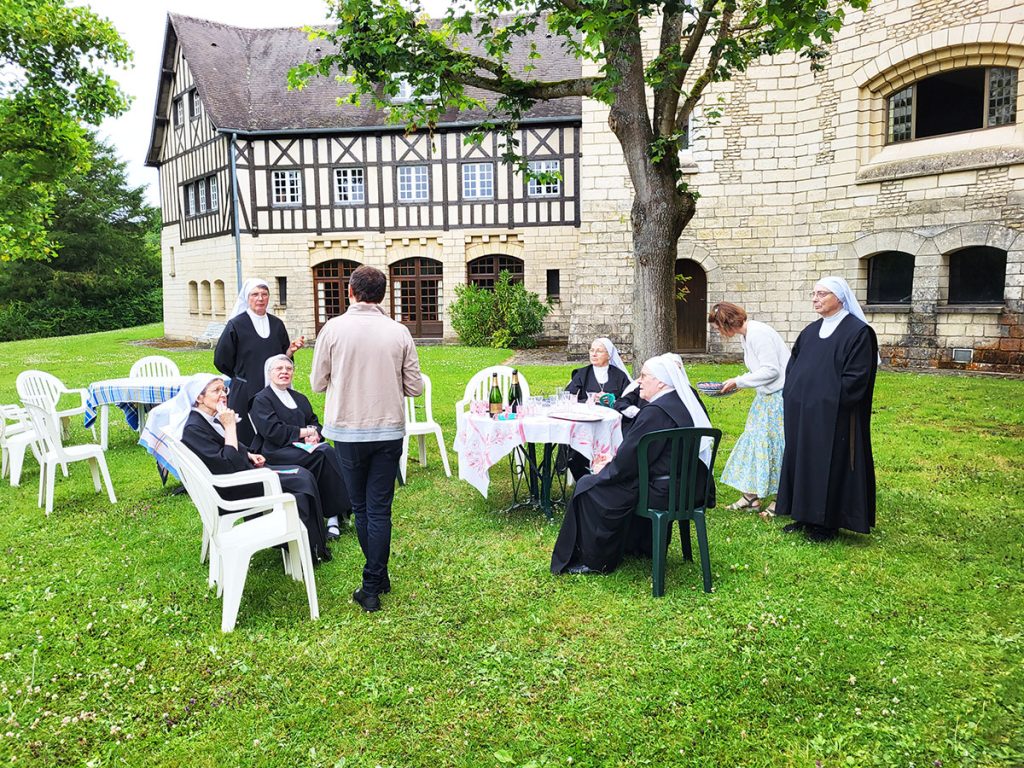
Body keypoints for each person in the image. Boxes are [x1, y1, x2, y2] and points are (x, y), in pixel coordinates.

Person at [310, 265, 422, 612]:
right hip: (387, 429)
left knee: (361, 509)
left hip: (347, 430)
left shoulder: (332, 329)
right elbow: (414, 386)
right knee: (379, 510)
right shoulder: (399, 331)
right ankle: (377, 578)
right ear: (383, 295)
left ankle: (372, 584)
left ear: (350, 292)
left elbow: (316, 382)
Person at [551, 354, 715, 575]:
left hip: (660, 490)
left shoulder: (655, 413)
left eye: (644, 376)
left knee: (588, 486)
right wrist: (615, 463)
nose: (638, 381)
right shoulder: (681, 402)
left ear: (660, 382)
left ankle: (595, 560)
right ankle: (639, 546)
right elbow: (641, 454)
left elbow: (631, 461)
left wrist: (606, 469)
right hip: (686, 486)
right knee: (603, 482)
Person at [173, 373, 332, 563]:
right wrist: (230, 426)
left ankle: (309, 546)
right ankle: (306, 551)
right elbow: (228, 464)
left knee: (302, 476)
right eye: (216, 391)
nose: (223, 394)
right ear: (199, 398)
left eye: (224, 389)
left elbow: (224, 448)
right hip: (231, 489)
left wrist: (248, 454)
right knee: (301, 481)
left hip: (240, 476)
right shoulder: (194, 428)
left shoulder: (207, 418)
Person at [775, 276, 878, 542]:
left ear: (840, 298)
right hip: (803, 414)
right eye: (814, 293)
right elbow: (793, 368)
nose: (815, 298)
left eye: (822, 294)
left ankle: (827, 523)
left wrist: (824, 401)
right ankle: (804, 514)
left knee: (829, 464)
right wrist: (793, 394)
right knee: (802, 461)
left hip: (834, 417)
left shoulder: (858, 333)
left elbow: (857, 378)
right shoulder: (809, 331)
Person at [249, 354, 352, 540]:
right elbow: (273, 432)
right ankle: (336, 514)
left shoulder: (299, 398)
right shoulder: (261, 400)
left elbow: (314, 423)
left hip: (301, 448)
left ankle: (335, 514)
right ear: (269, 373)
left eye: (288, 369)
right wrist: (306, 433)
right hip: (275, 451)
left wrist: (315, 435)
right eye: (279, 369)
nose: (284, 372)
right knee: (324, 454)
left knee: (323, 452)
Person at [708, 301, 791, 515]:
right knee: (754, 441)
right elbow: (759, 371)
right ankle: (751, 496)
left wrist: (739, 381)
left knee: (776, 445)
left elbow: (771, 371)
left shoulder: (758, 333)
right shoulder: (747, 335)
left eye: (717, 325)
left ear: (725, 322)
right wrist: (737, 382)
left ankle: (782, 498)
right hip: (766, 396)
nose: (717, 330)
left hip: (780, 396)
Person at [214, 279, 304, 444]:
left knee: (274, 429)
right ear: (247, 298)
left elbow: (282, 359)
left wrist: (290, 351)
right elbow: (221, 359)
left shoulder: (277, 325)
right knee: (246, 436)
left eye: (264, 294)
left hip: (273, 389)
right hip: (245, 390)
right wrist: (240, 377)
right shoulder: (236, 325)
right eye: (255, 294)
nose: (260, 298)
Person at [562, 337, 633, 480]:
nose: (593, 354)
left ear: (609, 355)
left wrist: (611, 400)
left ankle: (610, 475)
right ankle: (583, 477)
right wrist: (589, 400)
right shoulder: (582, 374)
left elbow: (628, 399)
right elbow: (568, 397)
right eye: (592, 350)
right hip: (585, 424)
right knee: (576, 449)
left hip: (614, 425)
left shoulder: (619, 376)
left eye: (599, 351)